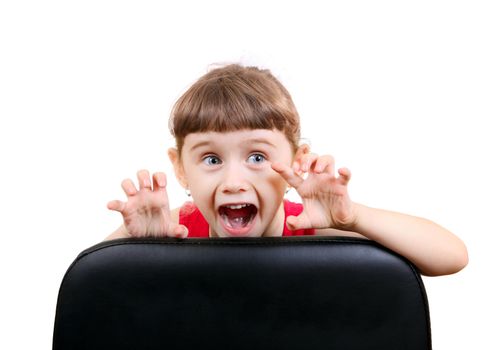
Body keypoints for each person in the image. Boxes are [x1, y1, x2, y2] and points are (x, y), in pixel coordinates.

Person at [105, 64, 468, 277]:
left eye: (257, 158)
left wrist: (353, 217)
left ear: (297, 160)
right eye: (212, 160)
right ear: (180, 169)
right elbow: (88, 290)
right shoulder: (177, 228)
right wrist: (135, 245)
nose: (234, 182)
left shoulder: (313, 229)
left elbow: (451, 257)